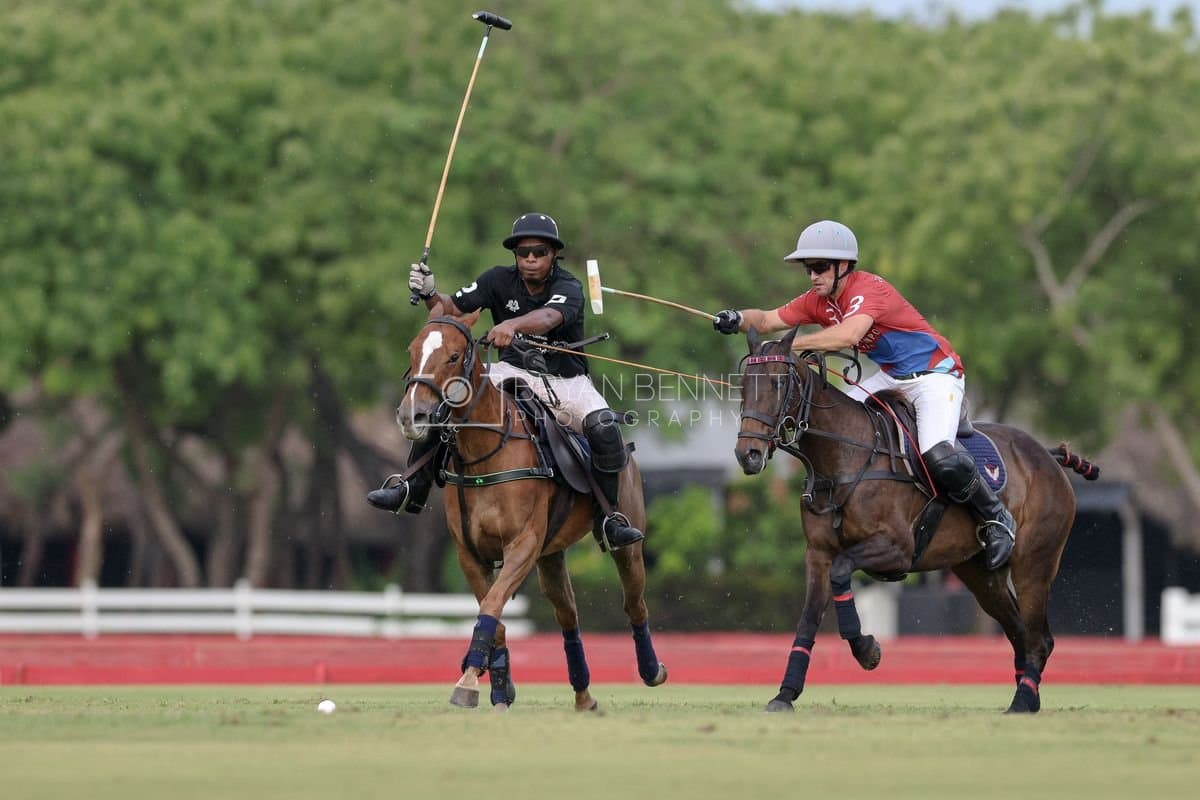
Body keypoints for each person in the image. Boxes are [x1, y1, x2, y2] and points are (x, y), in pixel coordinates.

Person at [712, 219, 1016, 570]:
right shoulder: (818, 301)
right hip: (891, 376)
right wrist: (736, 318)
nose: (813, 276)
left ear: (844, 267)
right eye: (809, 269)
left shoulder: (869, 289)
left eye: (821, 267)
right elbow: (765, 320)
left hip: (935, 374)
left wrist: (789, 350)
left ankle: (996, 518)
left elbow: (847, 336)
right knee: (842, 425)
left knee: (938, 454)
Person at [366, 212, 644, 550]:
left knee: (603, 427)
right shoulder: (496, 280)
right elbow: (447, 310)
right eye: (523, 252)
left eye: (539, 252)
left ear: (554, 253)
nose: (530, 259)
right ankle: (411, 486)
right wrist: (429, 292)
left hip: (566, 381)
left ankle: (609, 517)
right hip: (508, 374)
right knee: (449, 403)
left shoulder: (568, 287)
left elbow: (547, 317)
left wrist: (512, 325)